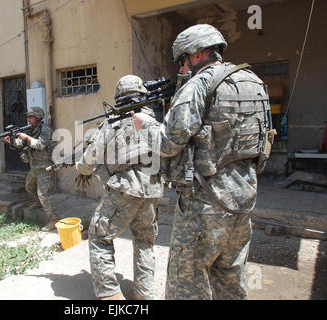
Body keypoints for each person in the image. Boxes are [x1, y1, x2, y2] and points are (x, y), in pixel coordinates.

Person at [133, 24, 273, 300]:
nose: (182, 67)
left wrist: (147, 124)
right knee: (230, 278)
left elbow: (168, 142)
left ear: (195, 54)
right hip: (243, 199)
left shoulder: (200, 84)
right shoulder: (253, 81)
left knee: (187, 284)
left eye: (181, 60)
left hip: (205, 203)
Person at [75, 75, 164, 300]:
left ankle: (110, 295)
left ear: (118, 97)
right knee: (145, 242)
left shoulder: (112, 122)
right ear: (142, 95)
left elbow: (89, 160)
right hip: (152, 190)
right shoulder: (155, 120)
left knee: (99, 237)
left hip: (125, 189)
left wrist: (80, 168)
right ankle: (143, 295)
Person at [6, 107, 60, 232]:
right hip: (34, 165)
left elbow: (40, 145)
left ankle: (55, 219)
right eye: (28, 117)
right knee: (29, 187)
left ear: (38, 118)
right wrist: (11, 141)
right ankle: (39, 202)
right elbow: (22, 144)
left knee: (43, 193)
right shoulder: (31, 130)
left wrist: (25, 137)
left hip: (45, 166)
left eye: (31, 117)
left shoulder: (46, 130)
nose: (28, 119)